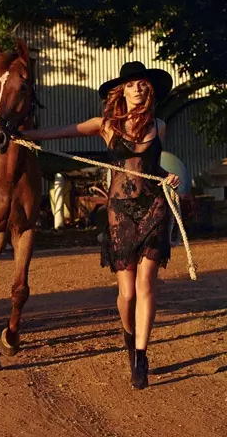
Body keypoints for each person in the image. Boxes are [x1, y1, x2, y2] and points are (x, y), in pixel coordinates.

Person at [23, 61, 180, 390]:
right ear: (121, 91)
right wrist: (22, 136)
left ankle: (141, 356)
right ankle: (128, 334)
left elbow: (150, 166)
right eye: (131, 84)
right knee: (126, 293)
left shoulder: (160, 126)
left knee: (146, 283)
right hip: (120, 212)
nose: (137, 88)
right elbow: (60, 132)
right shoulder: (105, 125)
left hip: (154, 207)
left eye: (142, 84)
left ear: (148, 90)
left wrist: (168, 177)